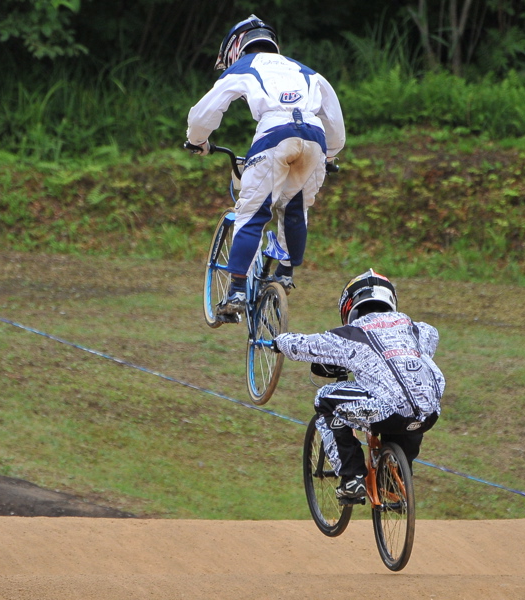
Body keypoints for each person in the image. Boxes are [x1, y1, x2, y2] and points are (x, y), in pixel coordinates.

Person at [185, 14, 346, 316]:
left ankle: (234, 293)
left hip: (275, 134)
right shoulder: (305, 70)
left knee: (253, 211)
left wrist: (197, 140)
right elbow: (334, 118)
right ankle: (285, 273)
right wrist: (332, 154)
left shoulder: (244, 66)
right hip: (314, 136)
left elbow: (205, 112)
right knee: (295, 206)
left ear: (235, 47)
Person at [272, 269, 444, 499]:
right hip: (430, 413)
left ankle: (352, 477)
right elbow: (432, 337)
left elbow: (305, 346)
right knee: (413, 408)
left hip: (387, 410)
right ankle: (394, 479)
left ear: (349, 306)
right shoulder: (417, 328)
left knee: (326, 398)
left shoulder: (352, 333)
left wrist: (277, 342)